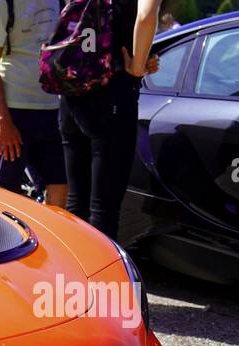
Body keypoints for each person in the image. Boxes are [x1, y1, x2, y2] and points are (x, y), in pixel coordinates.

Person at [59, 0, 162, 238]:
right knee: (104, 211)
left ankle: (71, 272)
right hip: (113, 95)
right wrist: (138, 65)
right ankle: (97, 275)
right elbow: (146, 14)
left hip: (72, 91)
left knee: (76, 204)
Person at [0, 0, 67, 208]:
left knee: (60, 189)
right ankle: (4, 241)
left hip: (51, 109)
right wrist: (3, 120)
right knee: (4, 196)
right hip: (12, 110)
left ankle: (47, 238)